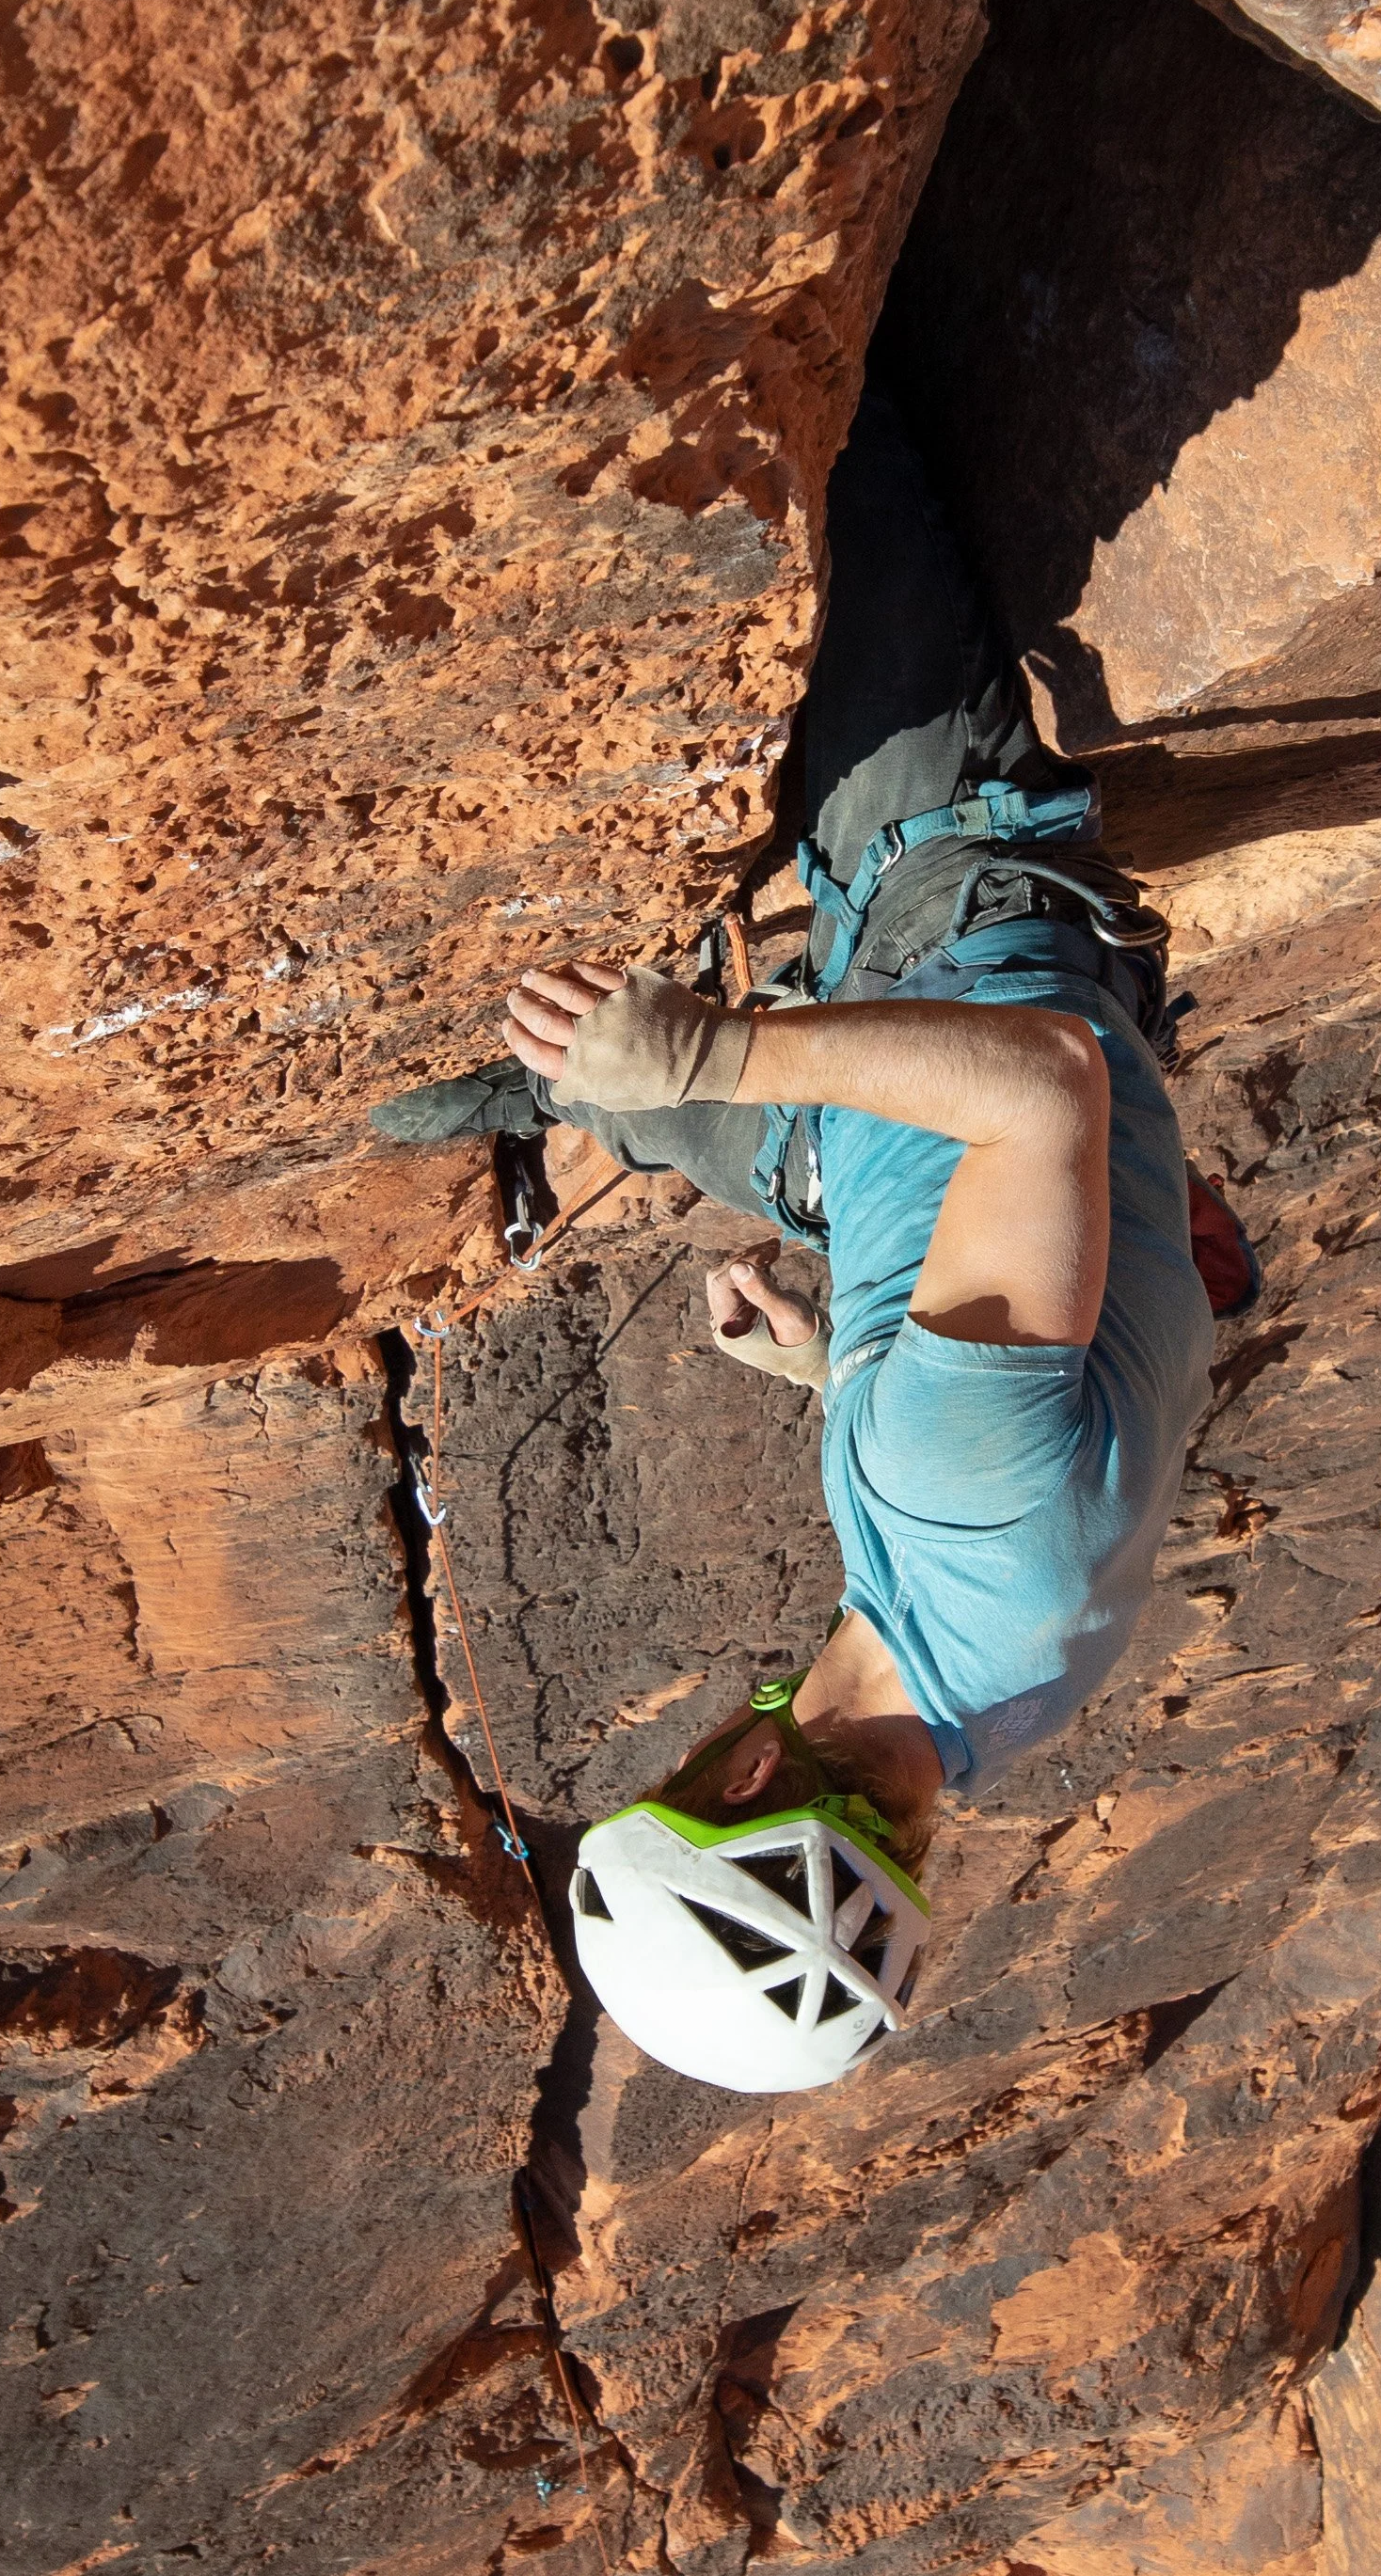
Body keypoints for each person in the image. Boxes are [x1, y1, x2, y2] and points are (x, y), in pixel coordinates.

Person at [372, 388, 1222, 2095]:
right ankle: (621, 1085)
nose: (677, 1743)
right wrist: (705, 1044)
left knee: (653, 1123)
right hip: (961, 915)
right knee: (831, 449)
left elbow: (1030, 1418)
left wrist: (827, 1357)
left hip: (869, 1170)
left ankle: (568, 1105)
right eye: (673, 1775)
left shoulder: (996, 1706)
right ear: (746, 1785)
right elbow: (1042, 1098)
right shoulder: (951, 1497)